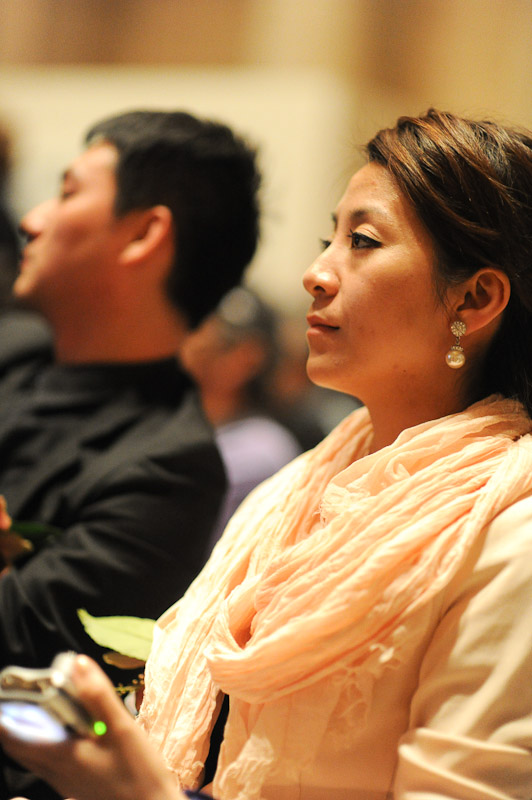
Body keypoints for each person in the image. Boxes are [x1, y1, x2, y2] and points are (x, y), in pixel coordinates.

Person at [2, 107, 532, 800]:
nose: (316, 273)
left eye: (363, 242)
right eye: (327, 239)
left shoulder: (510, 534)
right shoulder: (290, 492)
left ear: (476, 298)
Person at [0, 109, 260, 797]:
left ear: (144, 234)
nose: (30, 220)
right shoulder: (13, 347)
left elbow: (21, 671)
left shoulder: (168, 468)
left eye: (66, 193)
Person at [180, 285, 301, 546]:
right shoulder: (182, 425)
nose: (196, 343)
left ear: (250, 359)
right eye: (195, 328)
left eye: (219, 343)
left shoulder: (260, 447)